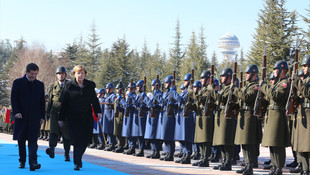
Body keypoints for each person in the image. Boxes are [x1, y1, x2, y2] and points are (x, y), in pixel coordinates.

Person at [58, 65, 102, 171]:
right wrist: (61, 118)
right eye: (78, 73)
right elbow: (64, 103)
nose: (80, 75)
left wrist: (98, 112)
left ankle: (79, 158)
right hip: (73, 118)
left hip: (86, 117)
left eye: (82, 73)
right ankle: (77, 162)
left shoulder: (90, 85)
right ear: (74, 74)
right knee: (77, 140)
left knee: (86, 140)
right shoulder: (69, 86)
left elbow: (94, 100)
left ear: (85, 74)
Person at [11, 63, 45, 171]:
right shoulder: (17, 83)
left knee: (33, 140)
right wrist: (16, 112)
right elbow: (14, 99)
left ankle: (33, 162)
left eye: (35, 74)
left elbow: (42, 102)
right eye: (31, 74)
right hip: (21, 116)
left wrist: (42, 116)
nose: (33, 76)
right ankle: (22, 160)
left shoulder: (40, 84)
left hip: (34, 117)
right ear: (26, 72)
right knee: (21, 140)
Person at [260, 60, 291, 175]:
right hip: (271, 114)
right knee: (272, 142)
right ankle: (274, 165)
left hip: (277, 114)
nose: (274, 72)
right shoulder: (278, 83)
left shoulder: (284, 83)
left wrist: (263, 87)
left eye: (275, 70)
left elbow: (275, 96)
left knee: (277, 143)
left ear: (282, 71)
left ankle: (279, 167)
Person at [208, 68, 237, 171]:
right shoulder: (224, 88)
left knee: (227, 141)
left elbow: (221, 99)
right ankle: (224, 161)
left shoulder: (230, 88)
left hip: (227, 117)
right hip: (221, 114)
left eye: (223, 76)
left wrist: (211, 90)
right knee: (222, 140)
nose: (221, 78)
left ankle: (228, 162)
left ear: (229, 77)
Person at [233, 64, 260, 175]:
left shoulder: (255, 86)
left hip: (249, 116)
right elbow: (241, 100)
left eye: (248, 73)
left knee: (248, 143)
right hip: (243, 115)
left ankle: (250, 166)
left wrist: (235, 90)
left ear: (254, 74)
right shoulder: (246, 87)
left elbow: (247, 98)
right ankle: (246, 163)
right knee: (243, 143)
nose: (246, 75)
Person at [45, 66, 71, 161]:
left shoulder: (70, 84)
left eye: (62, 74)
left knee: (66, 133)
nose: (61, 75)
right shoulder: (53, 85)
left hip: (66, 112)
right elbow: (50, 99)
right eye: (59, 74)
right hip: (54, 111)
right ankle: (52, 149)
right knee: (53, 131)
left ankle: (67, 153)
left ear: (65, 75)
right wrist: (48, 112)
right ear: (56, 75)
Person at [191, 70, 214, 167]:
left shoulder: (209, 90)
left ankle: (205, 159)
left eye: (203, 78)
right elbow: (197, 103)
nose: (201, 80)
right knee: (200, 140)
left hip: (206, 117)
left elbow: (201, 99)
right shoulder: (202, 90)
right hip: (200, 115)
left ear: (208, 79)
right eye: (200, 78)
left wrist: (191, 92)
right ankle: (202, 158)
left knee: (205, 140)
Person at [292, 55, 310, 175]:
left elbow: (307, 93)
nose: (304, 68)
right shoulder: (305, 80)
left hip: (308, 115)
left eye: (306, 65)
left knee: (308, 145)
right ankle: (305, 168)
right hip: (302, 114)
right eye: (303, 66)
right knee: (302, 145)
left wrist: (297, 80)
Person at [174, 73, 195, 164]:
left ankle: (188, 155)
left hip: (188, 116)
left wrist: (174, 93)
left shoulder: (190, 92)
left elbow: (182, 101)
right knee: (182, 137)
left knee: (187, 137)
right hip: (182, 115)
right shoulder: (184, 92)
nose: (184, 82)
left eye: (186, 80)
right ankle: (184, 154)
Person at [144, 79, 162, 159]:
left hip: (156, 116)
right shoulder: (154, 94)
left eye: (152, 85)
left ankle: (157, 152)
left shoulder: (159, 94)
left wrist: (147, 100)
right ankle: (153, 151)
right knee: (151, 135)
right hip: (151, 115)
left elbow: (156, 104)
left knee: (154, 135)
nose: (151, 87)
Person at [102, 83, 116, 151]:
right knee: (108, 130)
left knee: (111, 131)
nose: (107, 90)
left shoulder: (113, 96)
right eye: (106, 89)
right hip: (106, 114)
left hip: (110, 115)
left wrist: (113, 116)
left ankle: (112, 144)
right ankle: (110, 143)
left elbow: (114, 106)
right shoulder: (108, 96)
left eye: (108, 89)